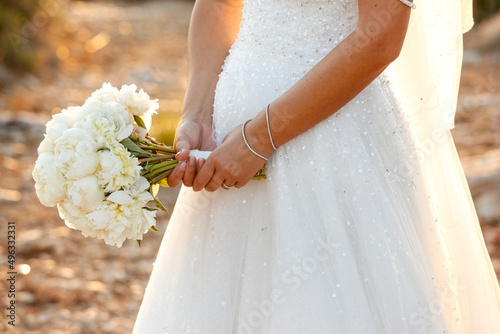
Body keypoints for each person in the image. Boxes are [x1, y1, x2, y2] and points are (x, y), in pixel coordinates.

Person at [133, 0, 500, 332]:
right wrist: (197, 115)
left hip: (335, 137)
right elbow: (219, 5)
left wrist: (258, 140)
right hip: (232, 127)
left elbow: (381, 38)